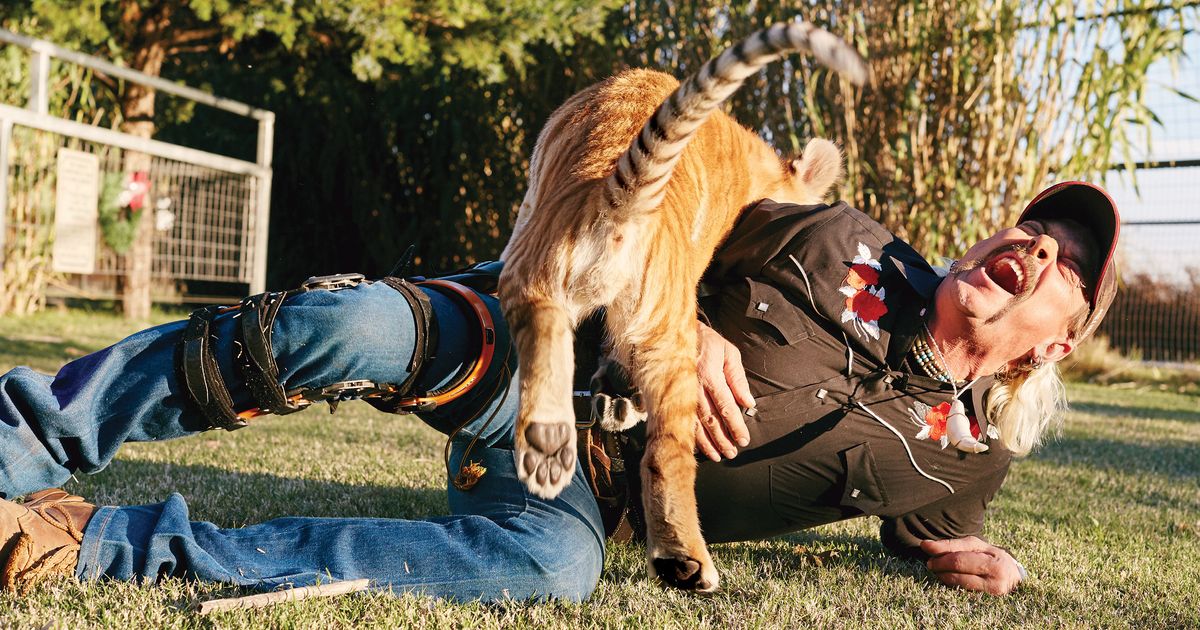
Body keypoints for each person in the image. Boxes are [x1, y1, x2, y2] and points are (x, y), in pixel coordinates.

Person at [0, 181, 1119, 599]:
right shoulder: (844, 240)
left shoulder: (968, 455)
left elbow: (932, 529)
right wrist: (673, 316)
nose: (1037, 246)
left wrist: (976, 558)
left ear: (1056, 345)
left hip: (572, 491)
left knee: (553, 570)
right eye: (1039, 226)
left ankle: (80, 543)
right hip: (538, 340)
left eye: (1066, 261)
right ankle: (28, 438)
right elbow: (661, 207)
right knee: (347, 324)